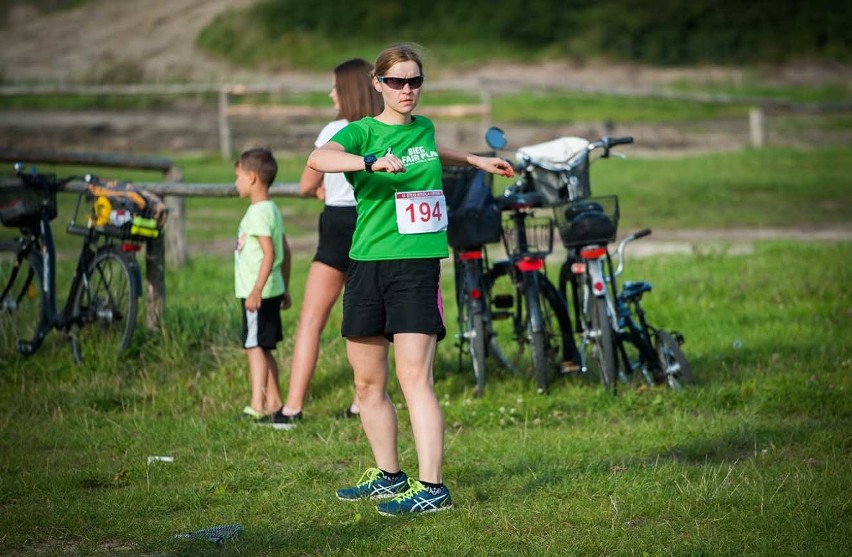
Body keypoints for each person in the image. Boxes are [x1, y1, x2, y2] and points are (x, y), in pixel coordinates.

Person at [307, 43, 514, 516]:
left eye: (415, 81)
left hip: (417, 268)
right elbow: (319, 158)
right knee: (366, 384)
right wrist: (369, 163)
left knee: (414, 378)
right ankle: (388, 476)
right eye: (397, 81)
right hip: (365, 263)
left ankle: (432, 488)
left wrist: (475, 160)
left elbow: (429, 149)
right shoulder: (359, 132)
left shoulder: (424, 127)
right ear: (377, 84)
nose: (407, 90)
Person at [270, 58, 384, 429]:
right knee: (367, 319)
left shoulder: (335, 130)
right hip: (373, 223)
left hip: (337, 223)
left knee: (311, 321)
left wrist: (321, 188)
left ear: (348, 89)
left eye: (335, 86)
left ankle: (292, 408)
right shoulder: (380, 129)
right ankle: (358, 402)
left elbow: (306, 184)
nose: (331, 92)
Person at [233, 147, 293, 423]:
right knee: (263, 347)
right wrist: (285, 285)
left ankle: (257, 404)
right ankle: (274, 402)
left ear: (253, 178)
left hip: (256, 293)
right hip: (270, 289)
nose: (236, 183)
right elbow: (286, 251)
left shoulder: (258, 213)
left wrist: (256, 290)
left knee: (254, 348)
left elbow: (270, 253)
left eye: (239, 177)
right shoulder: (272, 210)